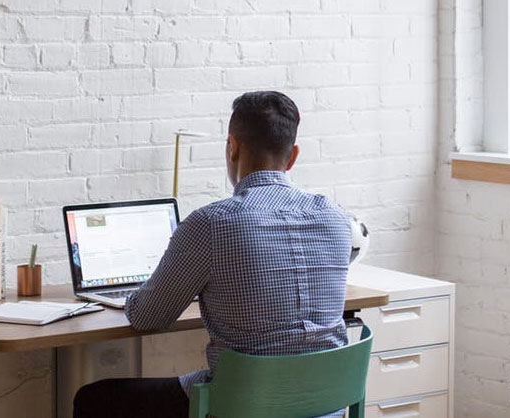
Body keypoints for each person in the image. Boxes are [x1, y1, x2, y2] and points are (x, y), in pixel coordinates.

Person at [73, 91, 352, 418]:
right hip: (325, 405)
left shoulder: (212, 223)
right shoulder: (336, 218)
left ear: (232, 147)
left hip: (242, 406)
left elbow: (148, 317)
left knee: (94, 399)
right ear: (293, 157)